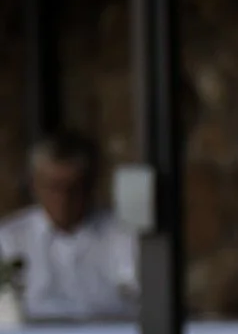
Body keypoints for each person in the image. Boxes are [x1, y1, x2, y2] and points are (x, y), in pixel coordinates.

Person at [0, 131, 137, 321]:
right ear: (34, 185)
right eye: (53, 187)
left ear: (90, 186)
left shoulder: (123, 233)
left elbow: (142, 297)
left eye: (73, 188)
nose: (63, 198)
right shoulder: (9, 239)